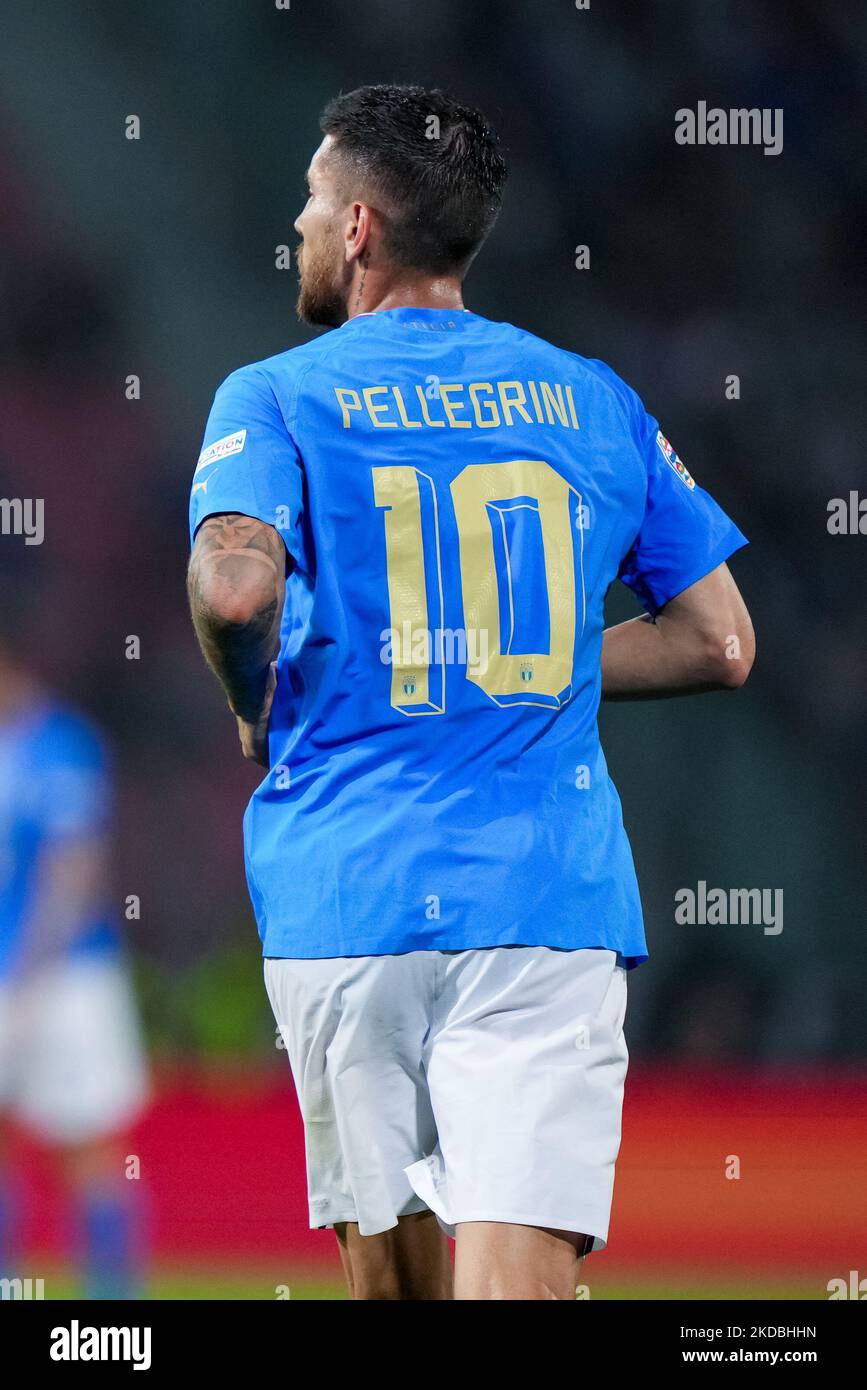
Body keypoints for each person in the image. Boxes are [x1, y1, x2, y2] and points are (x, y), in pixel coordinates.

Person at [187, 83, 754, 1300]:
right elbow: (720, 643)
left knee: (391, 1287)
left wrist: (249, 701)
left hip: (347, 892)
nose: (295, 222)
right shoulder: (592, 394)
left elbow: (236, 589)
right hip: (544, 899)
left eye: (308, 199)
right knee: (522, 1279)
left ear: (355, 230)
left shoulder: (278, 394)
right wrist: (527, 651)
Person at [0, 632, 148, 1299]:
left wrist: (29, 967)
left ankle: (110, 1311)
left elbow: (74, 867)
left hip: (69, 977)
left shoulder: (61, 746)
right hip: (12, 974)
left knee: (88, 1146)